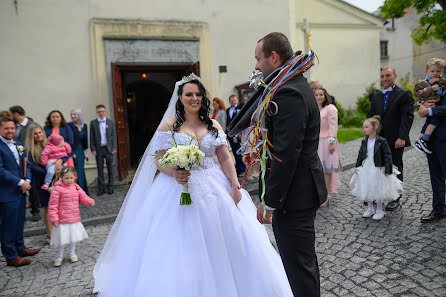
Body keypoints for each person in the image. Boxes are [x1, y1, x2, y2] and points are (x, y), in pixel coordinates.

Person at [93, 74, 293, 297]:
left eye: (198, 94)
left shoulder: (213, 124)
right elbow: (158, 159)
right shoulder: (169, 126)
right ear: (180, 97)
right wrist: (173, 172)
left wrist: (235, 186)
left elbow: (225, 158)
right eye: (189, 94)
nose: (194, 98)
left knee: (229, 236)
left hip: (213, 184)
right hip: (176, 189)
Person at [241, 32, 327, 296]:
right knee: (300, 264)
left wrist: (270, 202)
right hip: (298, 191)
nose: (256, 65)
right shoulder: (290, 85)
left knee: (299, 267)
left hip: (294, 195)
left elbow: (287, 154)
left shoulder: (288, 92)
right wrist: (258, 154)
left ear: (273, 57)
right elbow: (280, 144)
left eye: (258, 58)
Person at [367, 66, 414, 211]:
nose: (385, 78)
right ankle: (378, 195)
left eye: (388, 75)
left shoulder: (404, 94)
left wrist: (402, 137)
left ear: (395, 76)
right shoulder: (376, 96)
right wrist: (372, 120)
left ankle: (395, 198)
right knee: (377, 167)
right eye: (382, 76)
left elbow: (407, 118)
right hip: (378, 138)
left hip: (395, 139)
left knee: (395, 167)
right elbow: (369, 116)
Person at [0, 116, 40, 267]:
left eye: (12, 128)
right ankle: (11, 256)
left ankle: (20, 247)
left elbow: (26, 164)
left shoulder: (18, 144)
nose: (10, 131)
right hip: (6, 192)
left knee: (19, 221)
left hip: (21, 190)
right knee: (8, 224)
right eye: (6, 128)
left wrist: (27, 180)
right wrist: (20, 182)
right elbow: (1, 170)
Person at [350, 116, 403, 220]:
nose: (363, 129)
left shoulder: (381, 141)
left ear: (375, 127)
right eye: (363, 127)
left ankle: (379, 210)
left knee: (378, 188)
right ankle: (370, 208)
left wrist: (388, 170)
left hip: (378, 168)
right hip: (366, 168)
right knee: (368, 187)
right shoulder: (364, 141)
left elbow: (387, 155)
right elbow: (360, 155)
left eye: (366, 127)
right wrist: (357, 167)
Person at [48, 166, 95, 267]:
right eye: (66, 178)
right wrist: (54, 218)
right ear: (61, 177)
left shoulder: (76, 187)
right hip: (62, 219)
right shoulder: (57, 189)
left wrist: (89, 201)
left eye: (71, 178)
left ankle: (72, 254)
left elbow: (83, 196)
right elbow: (52, 205)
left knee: (73, 238)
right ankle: (59, 256)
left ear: (75, 177)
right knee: (62, 239)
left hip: (74, 218)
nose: (69, 180)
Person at [418, 83, 446, 223]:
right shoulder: (436, 86)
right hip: (432, 140)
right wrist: (422, 107)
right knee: (436, 177)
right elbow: (422, 102)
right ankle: (439, 210)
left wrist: (429, 111)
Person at [9, 105, 40, 220]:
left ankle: (35, 210)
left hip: (30, 160)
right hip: (17, 160)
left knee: (32, 187)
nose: (11, 117)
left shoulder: (32, 125)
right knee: (20, 185)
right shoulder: (15, 127)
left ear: (16, 114)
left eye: (11, 114)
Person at [25, 123, 53, 243]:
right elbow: (31, 166)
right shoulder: (29, 150)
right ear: (31, 136)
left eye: (40, 132)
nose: (38, 135)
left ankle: (61, 232)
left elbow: (62, 154)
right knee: (47, 208)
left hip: (55, 180)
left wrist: (59, 163)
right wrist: (48, 171)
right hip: (41, 182)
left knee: (58, 207)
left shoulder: (50, 144)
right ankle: (50, 234)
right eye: (35, 133)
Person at [315, 88, 342, 206]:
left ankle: (326, 195)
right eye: (316, 95)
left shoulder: (330, 108)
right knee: (318, 169)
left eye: (321, 94)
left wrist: (332, 142)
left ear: (325, 96)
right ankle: (320, 193)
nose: (319, 97)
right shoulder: (315, 109)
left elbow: (333, 126)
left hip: (327, 141)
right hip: (317, 141)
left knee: (327, 170)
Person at [413, 58, 446, 154]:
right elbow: (418, 94)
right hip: (428, 103)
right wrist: (431, 88)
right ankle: (423, 140)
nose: (435, 73)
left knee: (431, 121)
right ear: (426, 71)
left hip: (434, 106)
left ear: (442, 71)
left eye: (438, 71)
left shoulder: (441, 81)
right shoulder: (422, 83)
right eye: (432, 71)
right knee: (432, 121)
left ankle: (421, 140)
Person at [90, 105, 117, 195]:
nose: (101, 113)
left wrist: (114, 148)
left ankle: (111, 187)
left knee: (110, 168)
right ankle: (101, 188)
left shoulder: (110, 122)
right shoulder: (93, 123)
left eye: (102, 111)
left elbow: (114, 136)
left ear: (105, 112)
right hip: (98, 149)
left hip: (108, 149)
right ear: (97, 112)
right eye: (99, 112)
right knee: (100, 169)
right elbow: (91, 137)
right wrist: (93, 148)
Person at [68, 109, 90, 194]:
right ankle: (77, 191)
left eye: (75, 114)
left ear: (79, 116)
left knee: (81, 170)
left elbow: (85, 141)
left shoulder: (84, 125)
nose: (73, 116)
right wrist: (71, 152)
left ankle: (83, 190)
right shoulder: (69, 125)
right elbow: (69, 139)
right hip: (74, 151)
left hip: (81, 150)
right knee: (76, 171)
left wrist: (87, 153)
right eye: (72, 114)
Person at [226, 95, 246, 176]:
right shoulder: (227, 110)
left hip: (239, 134)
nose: (233, 101)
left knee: (240, 151)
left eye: (234, 100)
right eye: (231, 100)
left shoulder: (240, 108)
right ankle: (238, 168)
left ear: (236, 100)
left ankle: (242, 169)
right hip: (231, 135)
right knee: (234, 152)